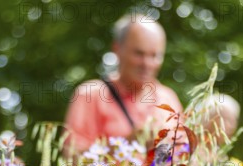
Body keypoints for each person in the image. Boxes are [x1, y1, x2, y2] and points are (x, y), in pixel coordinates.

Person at [63, 13, 183, 156]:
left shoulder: (168, 98)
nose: (147, 64)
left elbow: (184, 158)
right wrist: (128, 143)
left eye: (154, 55)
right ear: (117, 49)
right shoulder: (90, 95)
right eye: (139, 53)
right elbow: (71, 161)